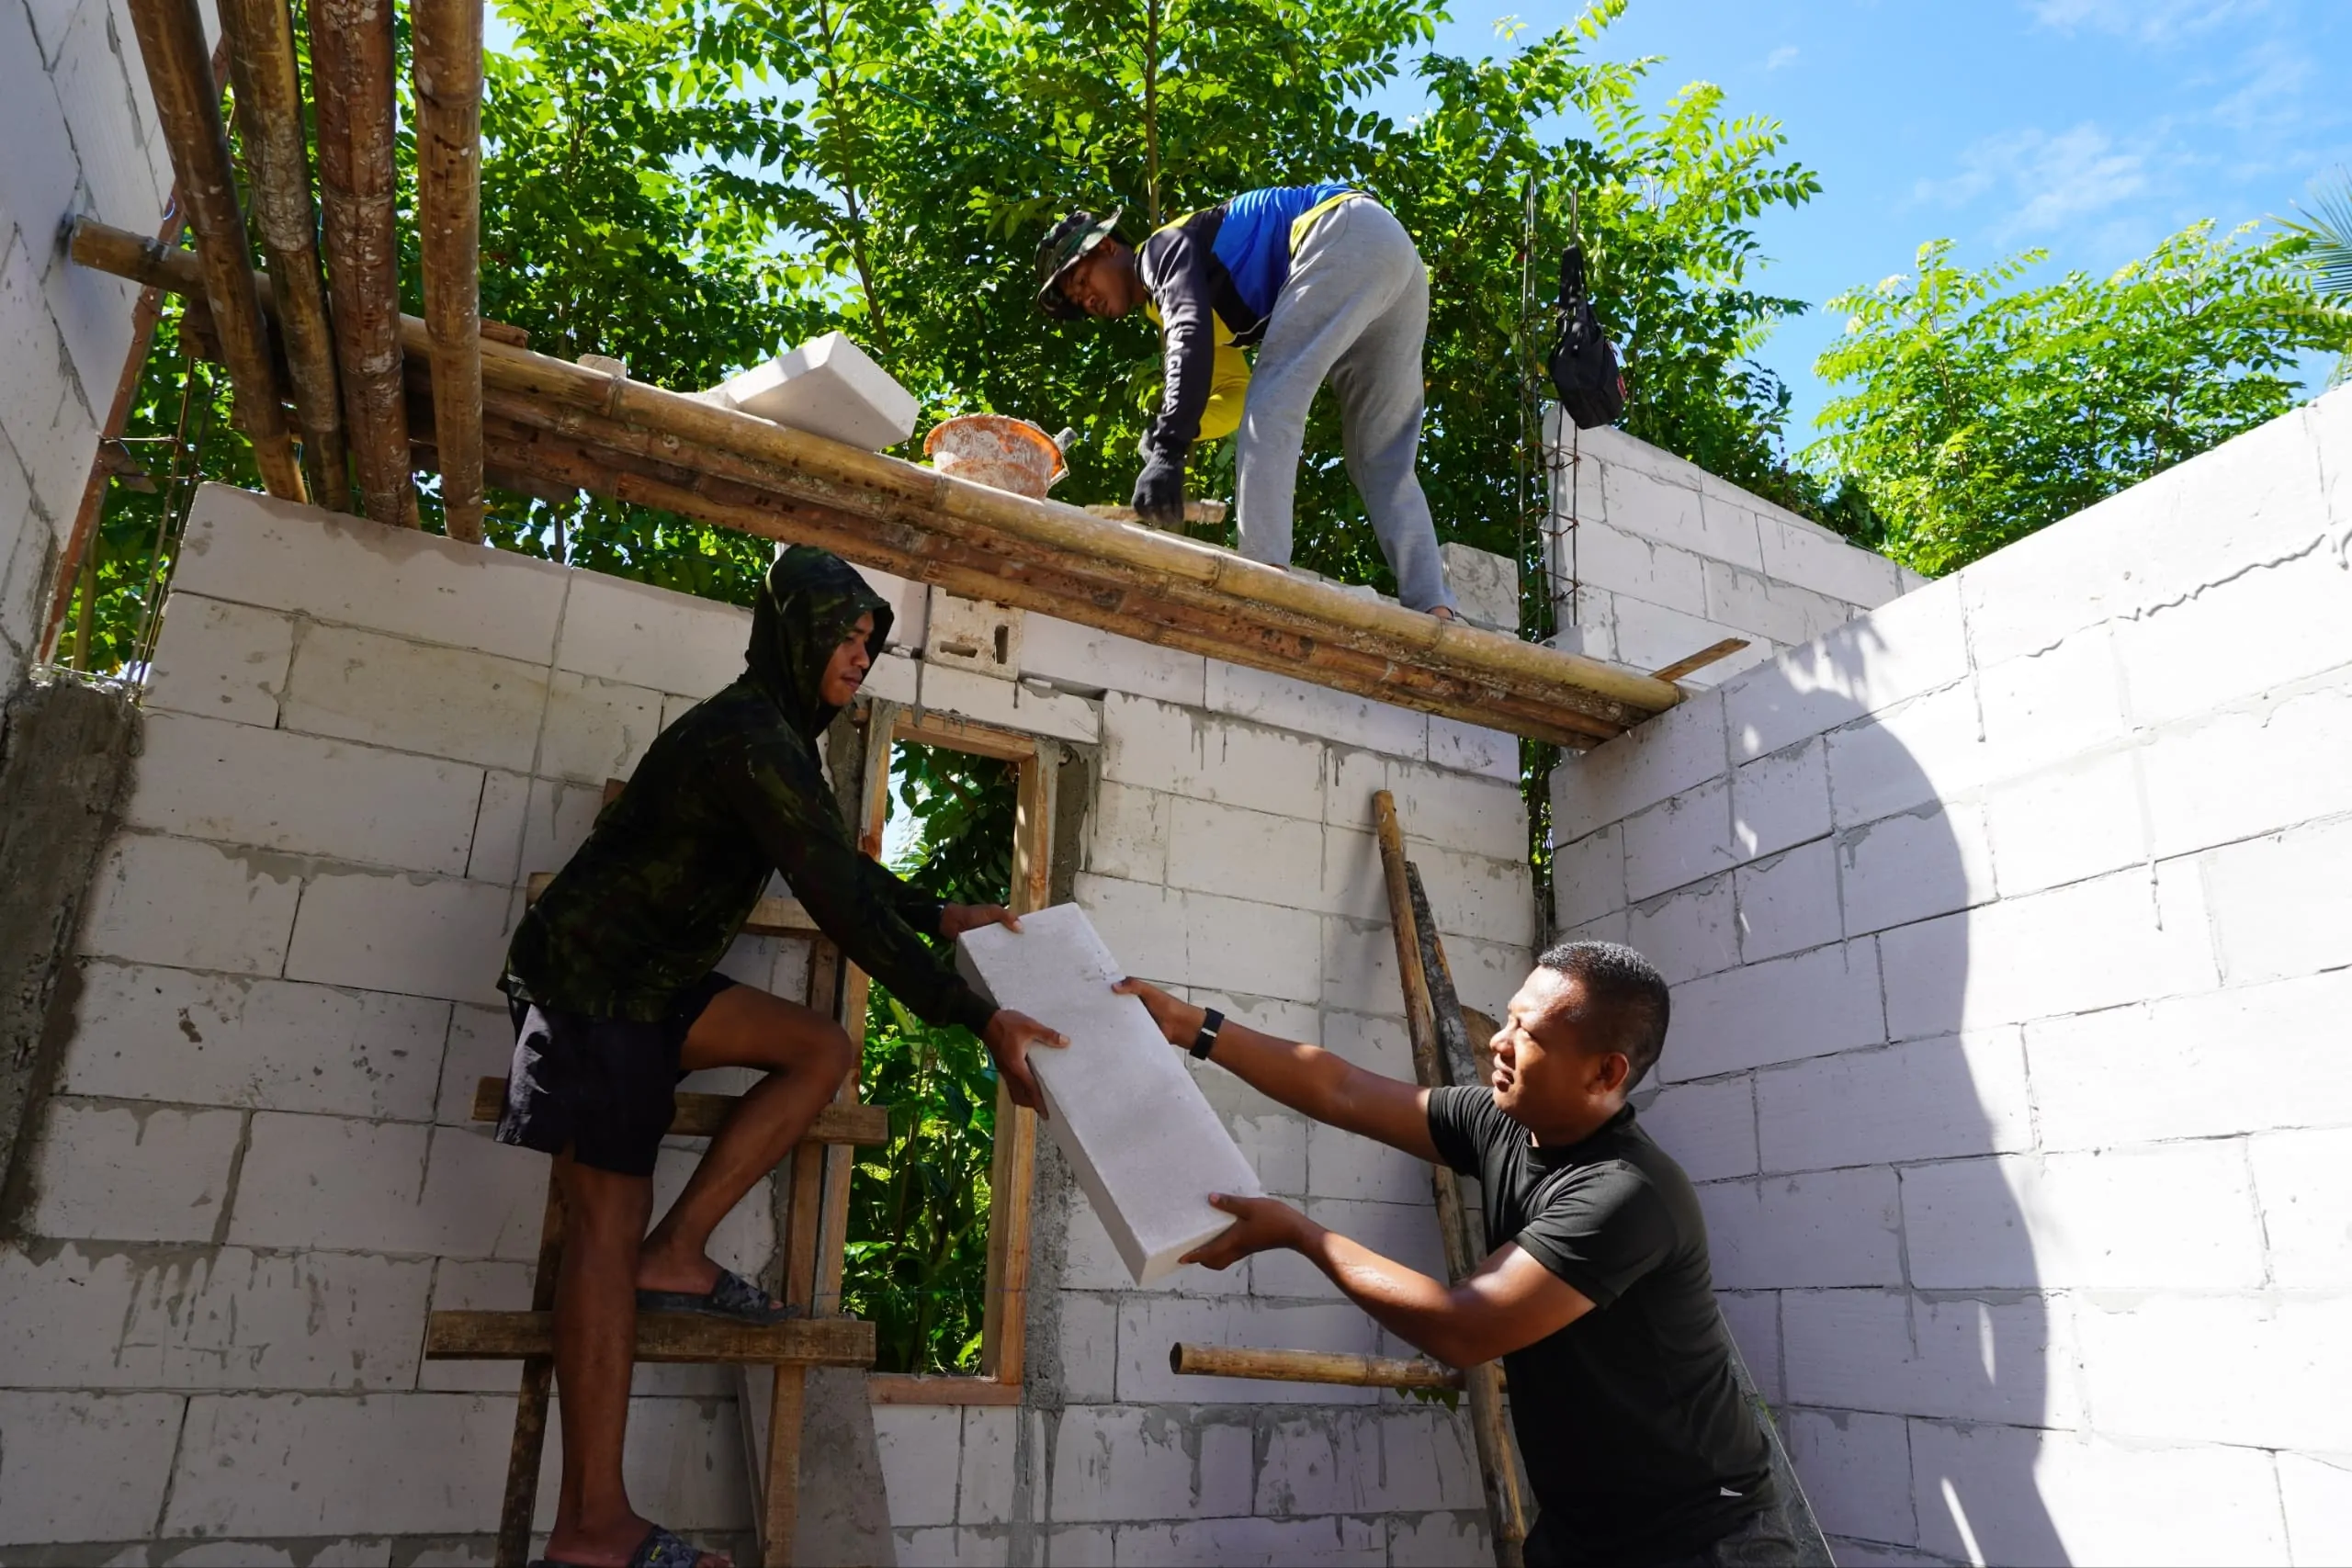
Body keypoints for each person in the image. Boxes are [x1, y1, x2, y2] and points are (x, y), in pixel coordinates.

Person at [496, 546, 1066, 1568]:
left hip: (656, 982)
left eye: (871, 641)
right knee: (597, 1234)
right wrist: (975, 1016)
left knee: (817, 1049)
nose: (860, 656)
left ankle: (676, 1256)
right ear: (796, 631)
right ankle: (590, 1528)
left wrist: (943, 915)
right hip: (590, 989)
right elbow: (838, 904)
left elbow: (834, 868)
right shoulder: (750, 735)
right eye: (846, 635)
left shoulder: (780, 742)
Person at [1116, 942, 1793, 1568]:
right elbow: (1343, 1089)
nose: (1499, 1042)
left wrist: (1302, 1234)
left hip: (1704, 1540)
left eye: (1529, 1034)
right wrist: (1192, 1027)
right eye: (1508, 1017)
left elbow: (1460, 1325)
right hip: (1585, 1532)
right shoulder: (1502, 1124)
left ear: (1605, 1071)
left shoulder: (1625, 1193)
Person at [1034, 186, 1459, 618]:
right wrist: (1177, 431)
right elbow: (1233, 396)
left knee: (1273, 401)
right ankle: (1435, 605)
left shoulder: (1161, 251)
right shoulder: (1188, 299)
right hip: (1392, 256)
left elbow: (1190, 338)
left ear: (1108, 246)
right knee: (1380, 457)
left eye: (1081, 280)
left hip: (1339, 231)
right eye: (1076, 301)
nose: (1086, 300)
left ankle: (1264, 579)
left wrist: (1169, 449)